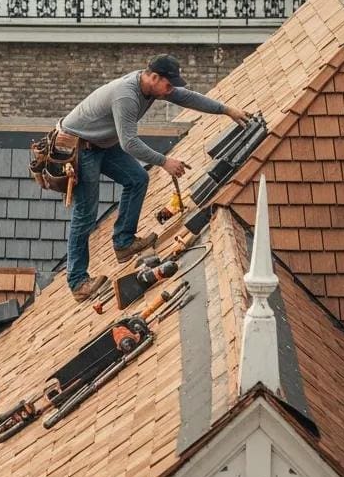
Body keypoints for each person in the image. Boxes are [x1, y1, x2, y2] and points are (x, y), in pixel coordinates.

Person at [59, 55, 249, 302]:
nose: (171, 91)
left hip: (101, 143)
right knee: (85, 213)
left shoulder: (154, 88)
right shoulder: (126, 95)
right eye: (168, 85)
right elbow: (129, 143)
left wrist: (226, 110)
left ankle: (124, 243)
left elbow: (188, 98)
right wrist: (165, 161)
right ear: (154, 77)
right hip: (79, 148)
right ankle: (78, 282)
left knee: (137, 178)